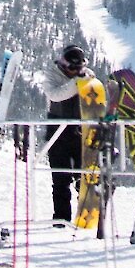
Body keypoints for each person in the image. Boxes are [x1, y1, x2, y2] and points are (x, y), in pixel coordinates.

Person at [44, 44, 93, 225]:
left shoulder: (87, 75)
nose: (74, 72)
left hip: (81, 130)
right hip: (57, 131)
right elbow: (55, 95)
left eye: (78, 68)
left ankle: (87, 216)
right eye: (71, 68)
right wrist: (77, 83)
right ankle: (61, 218)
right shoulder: (52, 75)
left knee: (84, 176)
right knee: (60, 178)